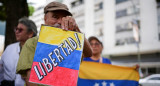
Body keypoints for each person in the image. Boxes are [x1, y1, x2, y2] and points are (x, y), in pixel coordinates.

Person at [16, 1, 92, 86]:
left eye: (64, 18)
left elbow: (89, 53)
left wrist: (76, 29)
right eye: (55, 17)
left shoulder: (71, 43)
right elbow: (30, 78)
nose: (60, 21)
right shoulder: (33, 42)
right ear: (45, 19)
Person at [0, 17, 37, 86]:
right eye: (16, 29)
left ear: (30, 34)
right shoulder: (9, 48)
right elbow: (1, 69)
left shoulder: (38, 50)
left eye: (20, 30)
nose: (16, 32)